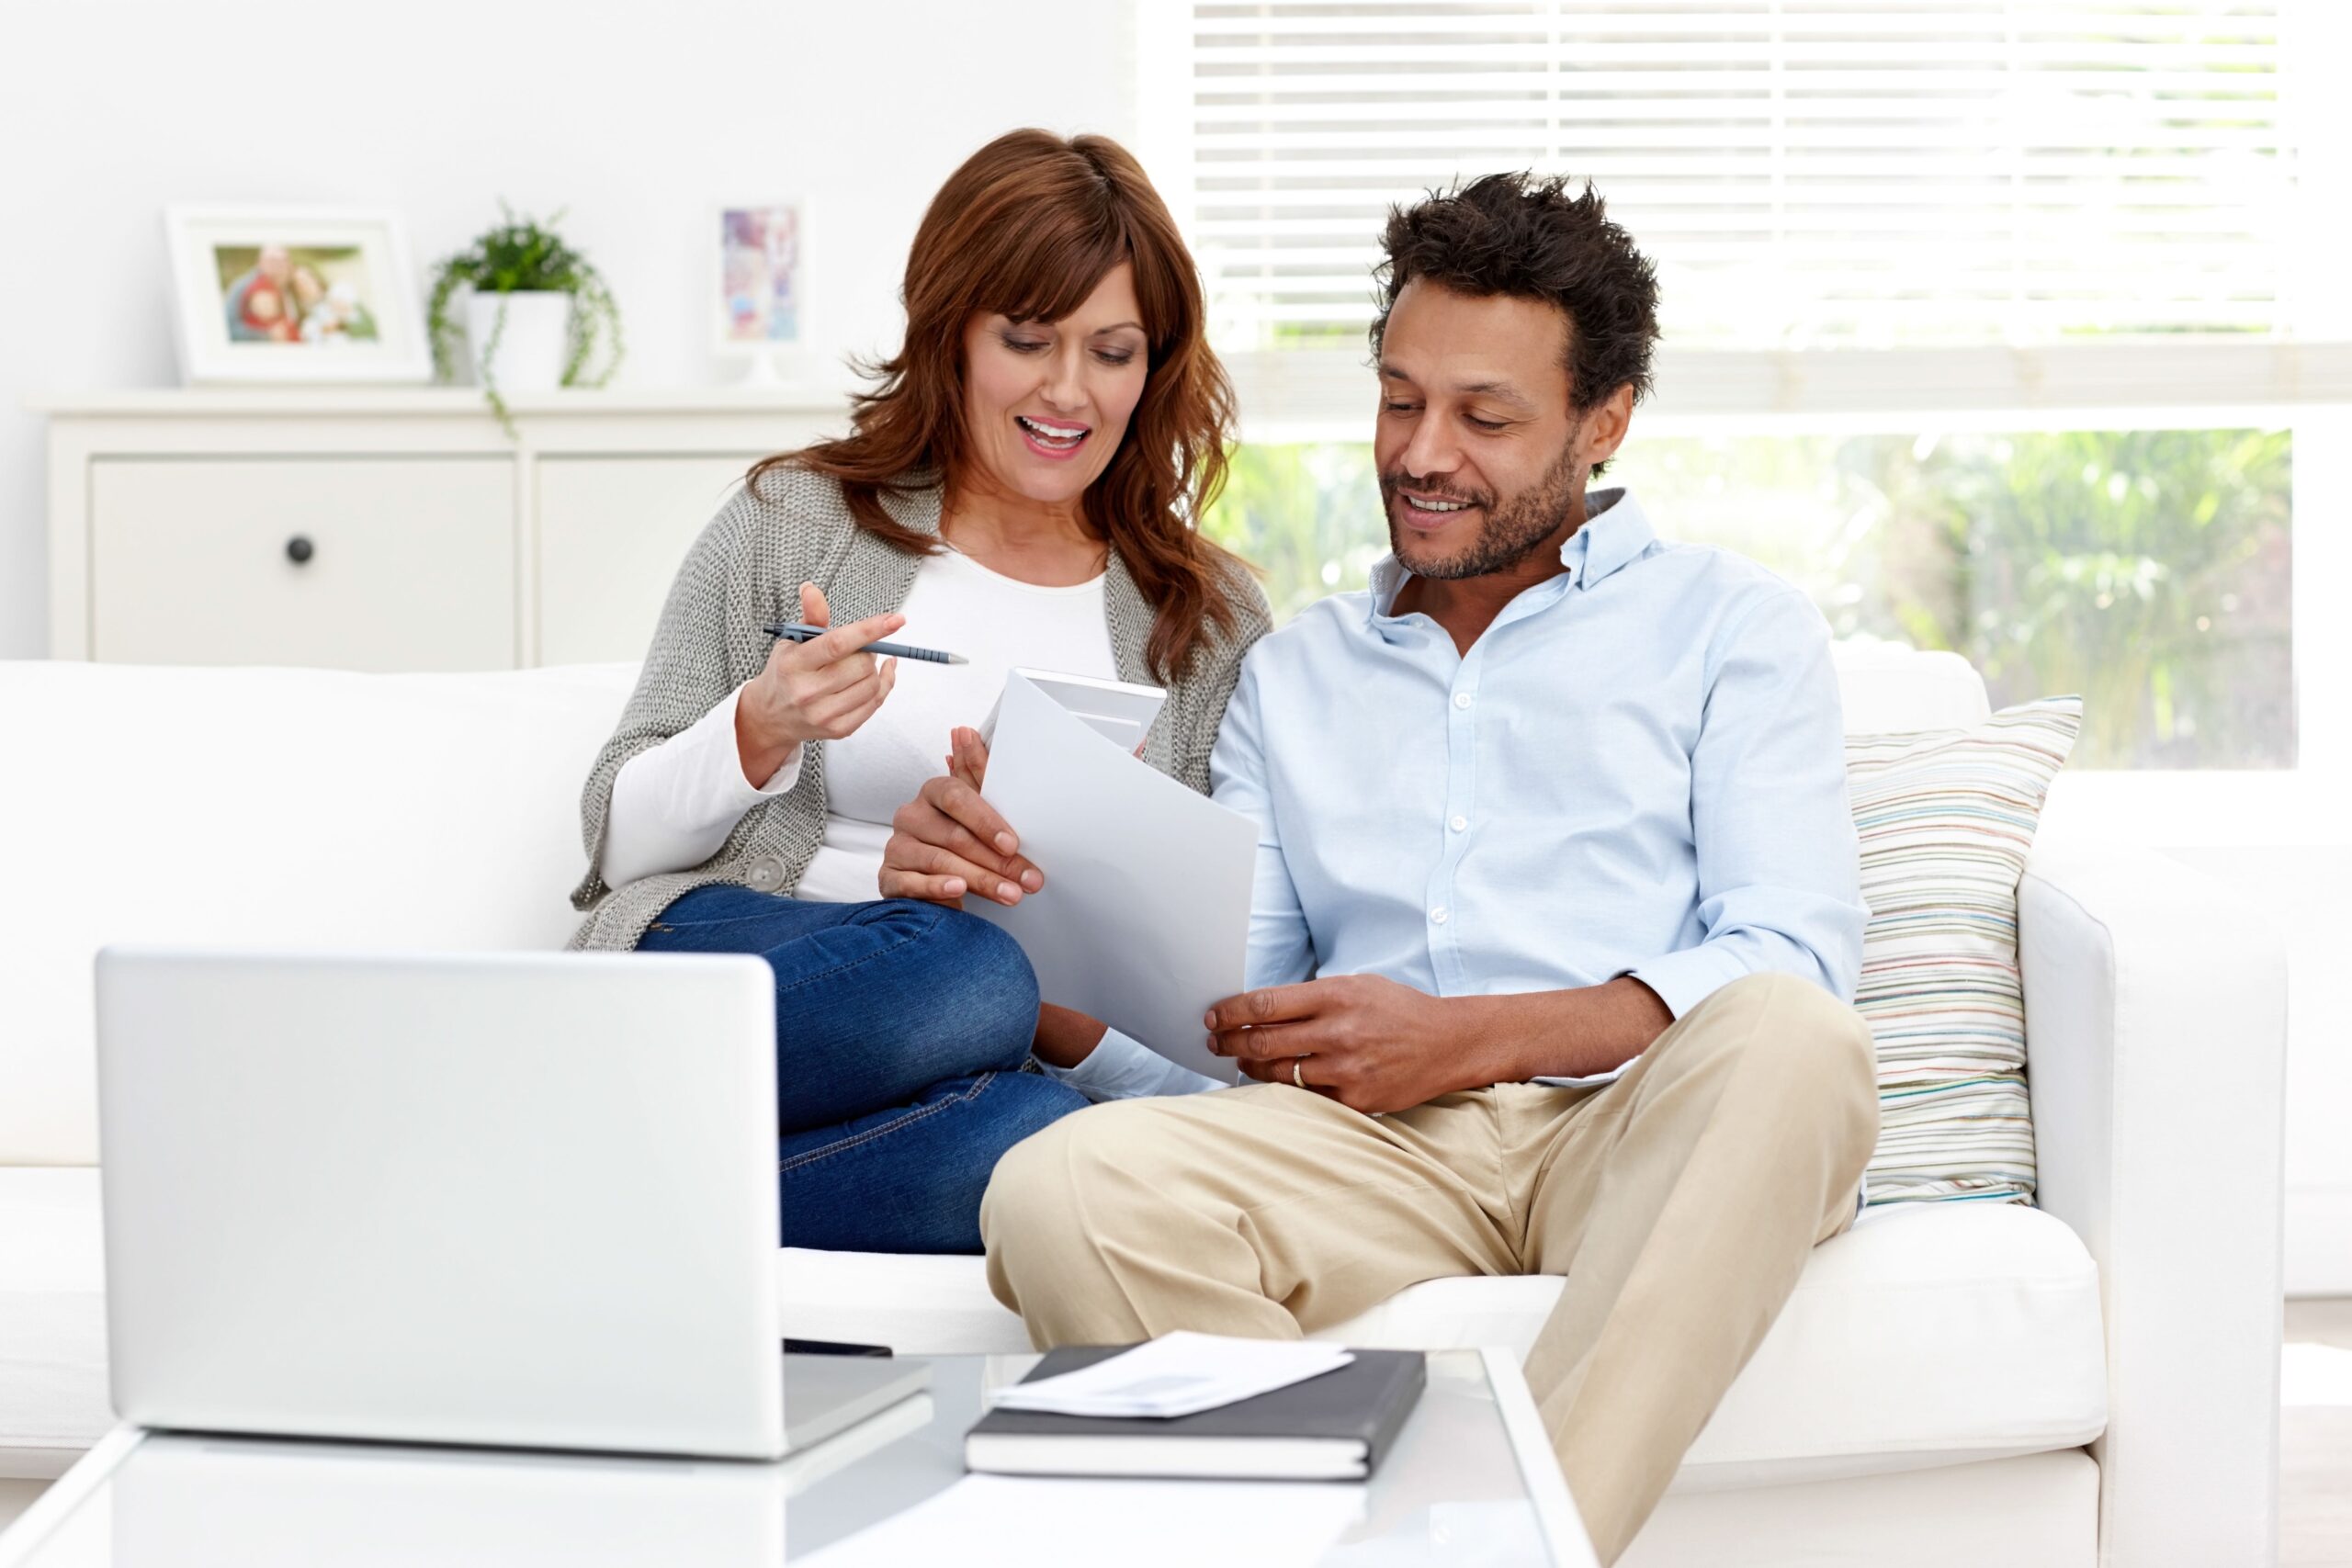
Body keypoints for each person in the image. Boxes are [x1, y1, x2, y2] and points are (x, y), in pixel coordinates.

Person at [979, 173, 1878, 1565]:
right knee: (1060, 1187)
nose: (1422, 450)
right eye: (1400, 399)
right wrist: (1047, 964)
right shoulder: (1294, 673)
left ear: (1605, 419)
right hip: (1376, 1149)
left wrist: (1464, 1038)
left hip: (1634, 1123)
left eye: (1486, 415)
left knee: (1794, 1039)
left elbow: (1796, 955)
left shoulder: (1732, 628)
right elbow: (1239, 1024)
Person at [566, 130, 1268, 1255]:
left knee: (1040, 1142)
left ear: (1157, 364)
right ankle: (576, 1110)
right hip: (754, 956)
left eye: (1113, 351)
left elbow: (1204, 1017)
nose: (1066, 391)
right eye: (1025, 339)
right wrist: (761, 727)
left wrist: (1051, 933)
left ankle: (599, 1203)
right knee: (969, 971)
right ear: (952, 333)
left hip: (999, 1047)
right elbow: (612, 842)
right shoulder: (794, 521)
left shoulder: (1206, 620)